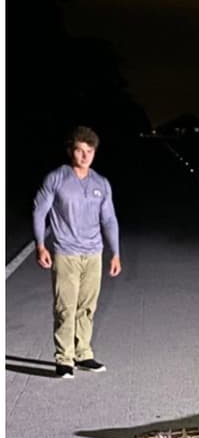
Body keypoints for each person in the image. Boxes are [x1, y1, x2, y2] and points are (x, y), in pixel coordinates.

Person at [33, 125, 122, 378]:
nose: (84, 156)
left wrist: (115, 253)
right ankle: (64, 359)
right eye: (79, 150)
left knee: (87, 307)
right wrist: (40, 245)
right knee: (65, 307)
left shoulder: (101, 183)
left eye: (89, 151)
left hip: (94, 253)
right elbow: (40, 212)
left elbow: (109, 219)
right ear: (71, 151)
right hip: (66, 253)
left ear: (94, 153)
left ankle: (83, 353)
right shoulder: (57, 178)